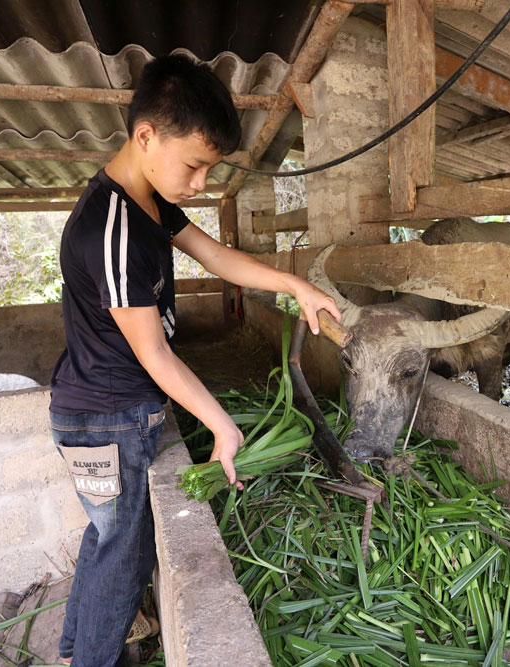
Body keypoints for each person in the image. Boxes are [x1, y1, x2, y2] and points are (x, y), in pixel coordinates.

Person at [48, 54, 340, 667]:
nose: (202, 182)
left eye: (209, 168)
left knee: (110, 540)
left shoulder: (151, 201)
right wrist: (221, 424)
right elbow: (153, 353)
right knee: (123, 557)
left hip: (118, 411)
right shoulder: (113, 227)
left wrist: (294, 287)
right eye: (196, 164)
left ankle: (77, 649)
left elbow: (215, 256)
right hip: (106, 418)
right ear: (146, 136)